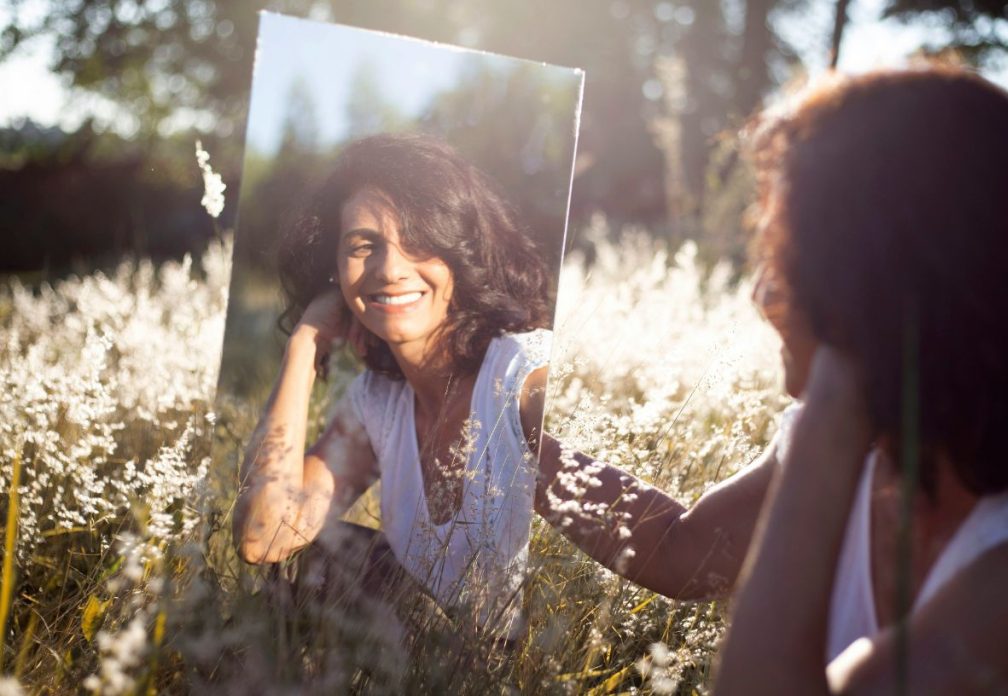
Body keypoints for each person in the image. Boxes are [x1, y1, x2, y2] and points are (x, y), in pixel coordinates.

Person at [231, 133, 693, 641]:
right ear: (334, 272)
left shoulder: (522, 375)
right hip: (433, 664)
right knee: (314, 561)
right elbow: (264, 536)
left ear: (461, 251)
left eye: (419, 239)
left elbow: (673, 553)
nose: (390, 269)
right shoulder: (377, 404)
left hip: (529, 669)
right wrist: (305, 341)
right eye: (363, 245)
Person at [711, 67, 1008, 693]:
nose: (762, 296)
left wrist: (839, 389)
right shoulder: (881, 463)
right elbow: (677, 547)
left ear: (867, 285)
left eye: (786, 260)